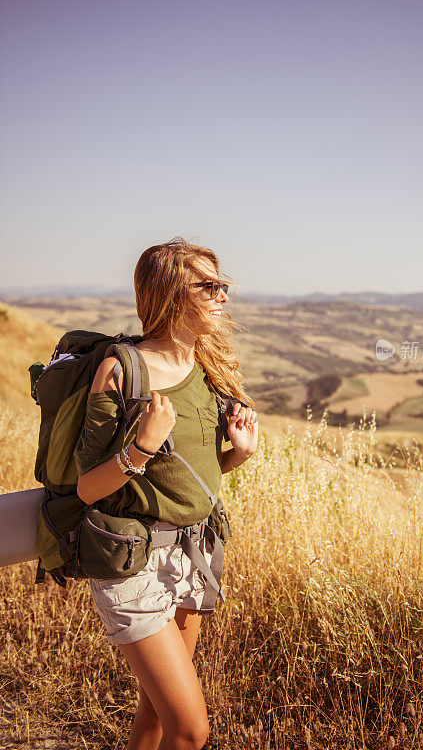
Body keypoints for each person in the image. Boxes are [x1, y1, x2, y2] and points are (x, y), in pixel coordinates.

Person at [75, 236, 259, 750]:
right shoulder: (121, 369)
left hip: (196, 553)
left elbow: (186, 482)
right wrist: (142, 445)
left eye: (223, 285)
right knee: (190, 729)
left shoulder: (207, 365)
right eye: (209, 286)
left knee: (156, 718)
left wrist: (235, 457)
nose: (223, 296)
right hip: (132, 560)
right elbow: (89, 487)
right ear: (171, 294)